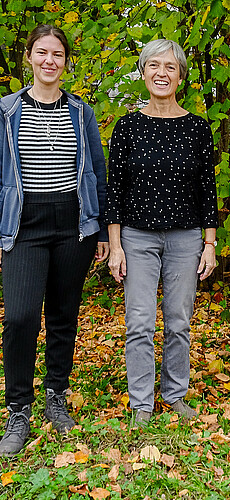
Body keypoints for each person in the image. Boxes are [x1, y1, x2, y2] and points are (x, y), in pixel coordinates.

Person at [0, 25, 109, 456]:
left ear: (66, 62)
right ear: (29, 57)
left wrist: (99, 228)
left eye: (58, 54)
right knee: (21, 316)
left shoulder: (81, 112)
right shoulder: (7, 111)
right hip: (25, 225)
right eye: (42, 53)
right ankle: (18, 408)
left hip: (73, 224)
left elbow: (97, 172)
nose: (50, 61)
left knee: (64, 314)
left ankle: (56, 396)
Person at [105, 39, 218, 428]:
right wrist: (115, 245)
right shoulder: (128, 126)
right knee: (138, 322)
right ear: (143, 72)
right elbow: (114, 190)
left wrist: (210, 244)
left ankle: (174, 394)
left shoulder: (197, 128)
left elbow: (208, 190)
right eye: (154, 65)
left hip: (185, 239)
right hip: (136, 238)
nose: (161, 73)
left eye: (170, 67)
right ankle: (141, 404)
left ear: (181, 76)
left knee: (179, 320)